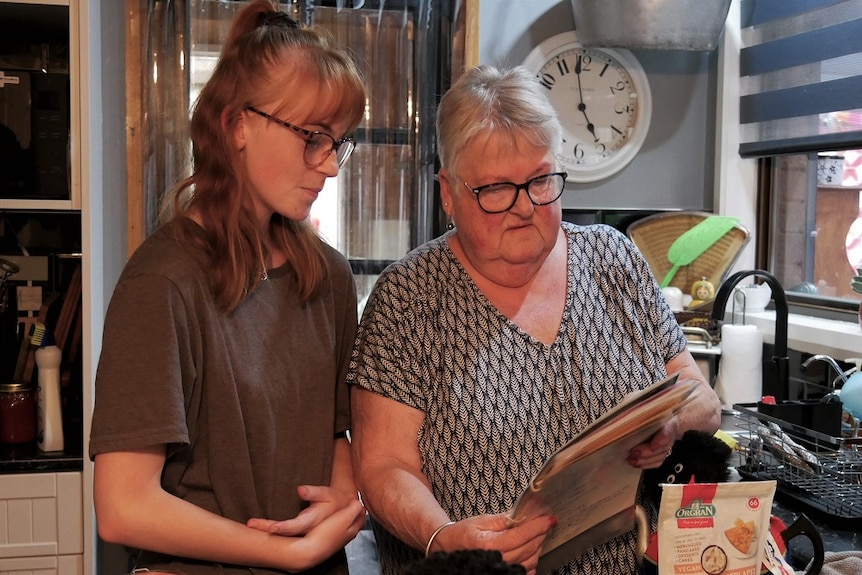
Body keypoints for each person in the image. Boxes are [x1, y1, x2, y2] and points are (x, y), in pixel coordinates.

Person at [348, 65, 722, 575]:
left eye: (541, 180)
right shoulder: (410, 296)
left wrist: (670, 423)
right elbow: (382, 465)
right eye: (496, 189)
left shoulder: (614, 260)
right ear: (449, 192)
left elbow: (700, 397)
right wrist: (444, 539)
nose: (524, 207)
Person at [88, 2, 367, 573]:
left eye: (338, 142)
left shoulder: (329, 277)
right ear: (239, 124)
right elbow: (122, 507)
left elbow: (336, 433)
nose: (331, 166)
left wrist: (344, 499)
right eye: (313, 137)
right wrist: (285, 552)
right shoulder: (162, 282)